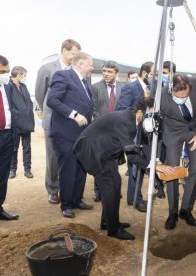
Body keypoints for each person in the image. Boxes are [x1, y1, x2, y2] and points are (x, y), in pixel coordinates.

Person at [74, 97, 174, 240]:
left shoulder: (136, 119)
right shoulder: (126, 122)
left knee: (116, 183)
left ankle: (107, 221)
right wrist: (154, 166)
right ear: (140, 112)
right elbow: (132, 157)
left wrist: (156, 162)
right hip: (93, 151)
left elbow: (144, 144)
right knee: (110, 186)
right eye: (150, 115)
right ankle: (113, 229)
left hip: (106, 151)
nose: (153, 119)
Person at [47, 52, 95, 218]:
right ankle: (66, 205)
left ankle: (76, 199)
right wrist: (74, 114)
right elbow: (52, 100)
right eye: (90, 64)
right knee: (68, 170)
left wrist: (90, 116)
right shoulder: (63, 75)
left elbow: (84, 103)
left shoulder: (83, 82)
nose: (92, 68)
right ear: (80, 64)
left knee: (81, 168)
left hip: (81, 135)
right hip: (65, 134)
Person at [161, 74, 196, 230]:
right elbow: (159, 118)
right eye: (178, 97)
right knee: (172, 171)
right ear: (171, 91)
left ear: (190, 87)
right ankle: (172, 213)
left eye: (185, 96)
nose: (182, 99)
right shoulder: (162, 94)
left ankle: (186, 210)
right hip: (173, 131)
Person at [35, 39, 81, 204]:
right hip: (53, 120)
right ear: (64, 51)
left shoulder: (76, 71)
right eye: (74, 54)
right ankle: (53, 189)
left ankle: (67, 188)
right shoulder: (48, 68)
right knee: (53, 156)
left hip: (71, 121)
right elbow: (40, 94)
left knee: (69, 155)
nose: (76, 57)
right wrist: (49, 113)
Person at [117, 61, 155, 211]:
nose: (155, 77)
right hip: (134, 133)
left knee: (141, 165)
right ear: (145, 73)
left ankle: (134, 197)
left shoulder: (152, 88)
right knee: (135, 166)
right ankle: (135, 199)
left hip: (145, 133)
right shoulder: (130, 88)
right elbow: (122, 110)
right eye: (153, 74)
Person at [0, 55, 19, 229]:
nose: (5, 75)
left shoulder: (7, 87)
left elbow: (9, 110)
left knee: (1, 177)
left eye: (7, 72)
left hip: (7, 136)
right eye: (1, 72)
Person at [91, 60, 124, 202]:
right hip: (100, 130)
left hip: (117, 132)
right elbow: (94, 109)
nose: (106, 74)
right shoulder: (95, 87)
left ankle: (114, 189)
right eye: (104, 71)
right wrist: (103, 125)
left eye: (109, 71)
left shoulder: (123, 88)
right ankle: (98, 191)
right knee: (99, 161)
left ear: (116, 73)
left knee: (114, 161)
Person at [9, 66, 35, 179]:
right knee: (14, 148)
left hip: (27, 122)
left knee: (27, 147)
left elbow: (28, 101)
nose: (25, 77)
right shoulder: (8, 86)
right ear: (19, 75)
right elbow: (8, 104)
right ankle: (12, 169)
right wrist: (17, 114)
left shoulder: (23, 86)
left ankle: (27, 169)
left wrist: (29, 112)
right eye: (24, 75)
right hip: (15, 123)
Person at [156, 61, 177, 199]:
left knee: (172, 159)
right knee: (159, 157)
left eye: (165, 73)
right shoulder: (155, 87)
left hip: (173, 131)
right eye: (161, 73)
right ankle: (160, 187)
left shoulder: (179, 88)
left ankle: (171, 185)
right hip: (158, 130)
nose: (162, 76)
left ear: (172, 74)